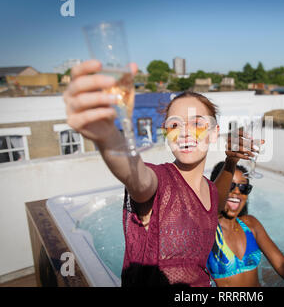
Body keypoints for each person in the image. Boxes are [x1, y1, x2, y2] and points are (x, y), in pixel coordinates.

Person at [63, 60, 253, 286]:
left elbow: (217, 203)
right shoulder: (159, 180)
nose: (185, 133)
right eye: (174, 126)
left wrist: (231, 162)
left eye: (197, 124)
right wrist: (107, 136)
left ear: (214, 134)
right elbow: (136, 177)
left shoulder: (209, 191)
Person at [207, 161, 284, 287]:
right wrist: (231, 159)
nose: (237, 192)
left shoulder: (251, 225)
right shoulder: (207, 230)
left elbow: (282, 264)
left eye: (243, 187)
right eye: (230, 186)